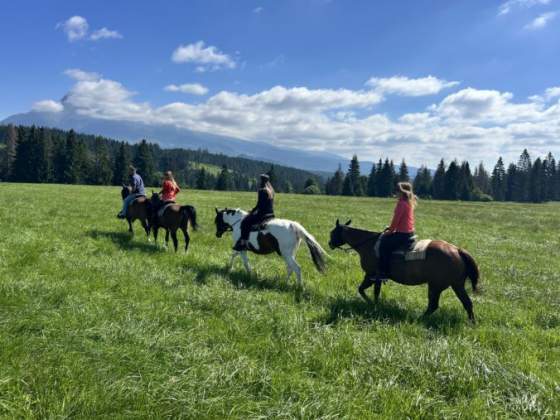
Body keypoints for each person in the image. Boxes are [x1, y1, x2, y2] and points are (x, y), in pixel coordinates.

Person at [378, 182, 417, 277]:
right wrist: (391, 228)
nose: (396, 192)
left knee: (383, 245)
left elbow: (396, 220)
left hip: (402, 234)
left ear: (403, 192)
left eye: (398, 190)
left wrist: (390, 231)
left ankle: (384, 272)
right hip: (410, 233)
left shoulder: (401, 203)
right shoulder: (409, 202)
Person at [233, 174, 275, 251]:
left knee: (245, 222)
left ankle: (243, 243)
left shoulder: (262, 190)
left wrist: (252, 212)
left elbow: (259, 205)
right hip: (270, 214)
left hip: (262, 215)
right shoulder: (271, 191)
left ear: (261, 182)